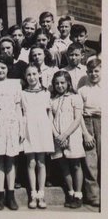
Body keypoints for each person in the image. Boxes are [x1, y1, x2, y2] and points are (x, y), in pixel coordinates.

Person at [0, 55, 23, 210]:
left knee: (10, 159)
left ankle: (11, 194)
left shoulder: (15, 85)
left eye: (3, 67)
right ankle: (0, 195)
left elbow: (18, 108)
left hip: (11, 123)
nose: (0, 70)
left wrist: (21, 127)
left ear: (8, 68)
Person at [21, 63, 54, 209]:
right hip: (28, 128)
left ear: (39, 74)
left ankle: (41, 195)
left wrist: (50, 131)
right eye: (28, 74)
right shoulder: (23, 93)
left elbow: (49, 113)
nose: (32, 77)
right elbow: (21, 114)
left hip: (43, 129)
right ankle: (33, 194)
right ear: (25, 77)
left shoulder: (46, 93)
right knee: (31, 163)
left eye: (34, 74)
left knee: (41, 162)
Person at [50, 71, 85, 209]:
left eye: (62, 83)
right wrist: (57, 135)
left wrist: (65, 134)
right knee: (64, 165)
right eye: (57, 83)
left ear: (68, 83)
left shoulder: (75, 97)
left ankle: (78, 194)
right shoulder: (53, 100)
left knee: (75, 164)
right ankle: (70, 192)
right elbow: (50, 119)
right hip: (57, 137)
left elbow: (77, 119)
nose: (59, 85)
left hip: (72, 135)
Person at [78, 59, 101, 207]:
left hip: (103, 121)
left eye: (96, 71)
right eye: (90, 71)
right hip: (88, 122)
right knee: (90, 160)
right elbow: (79, 114)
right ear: (86, 72)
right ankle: (93, 196)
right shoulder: (82, 90)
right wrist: (86, 133)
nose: (93, 74)